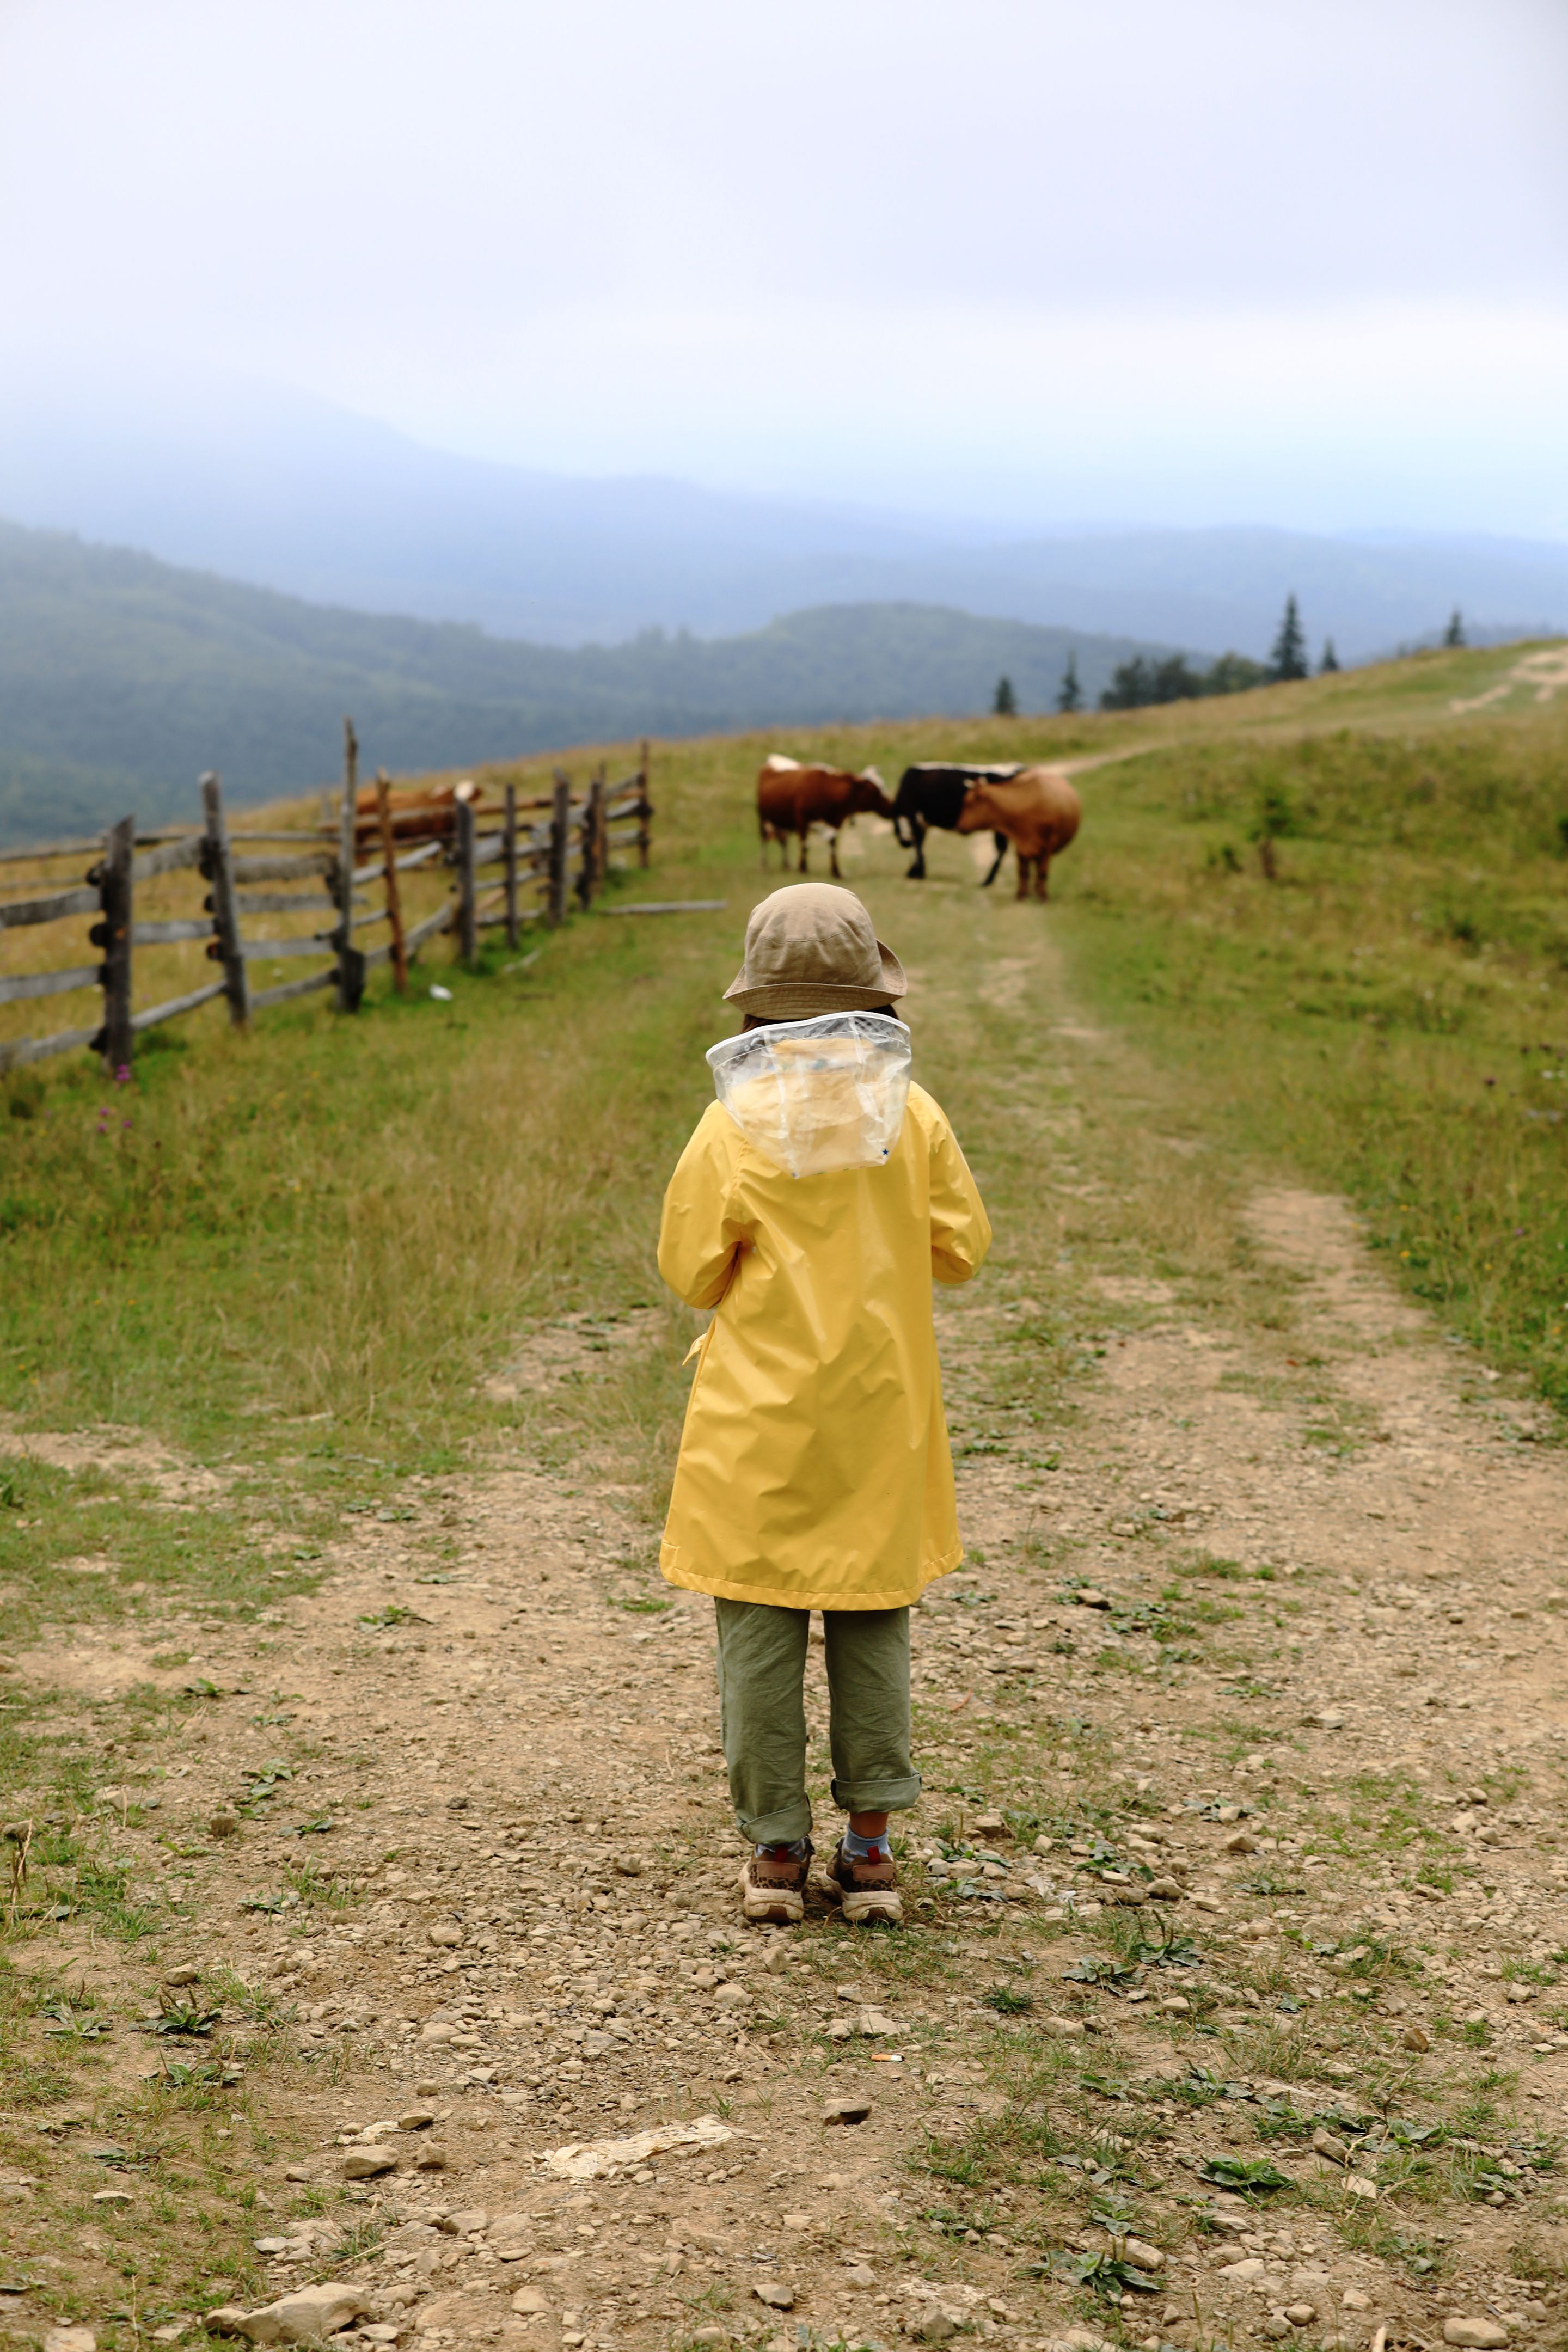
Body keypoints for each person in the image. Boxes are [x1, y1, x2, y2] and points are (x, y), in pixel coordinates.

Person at [657, 881, 991, 1926]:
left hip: (757, 1426)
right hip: (879, 1419)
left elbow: (691, 1271)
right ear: (874, 999)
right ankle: (873, 1853)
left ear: (757, 1006)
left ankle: (774, 1853)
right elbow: (962, 1251)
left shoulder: (731, 1122)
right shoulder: (915, 1114)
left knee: (757, 1630)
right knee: (871, 1622)